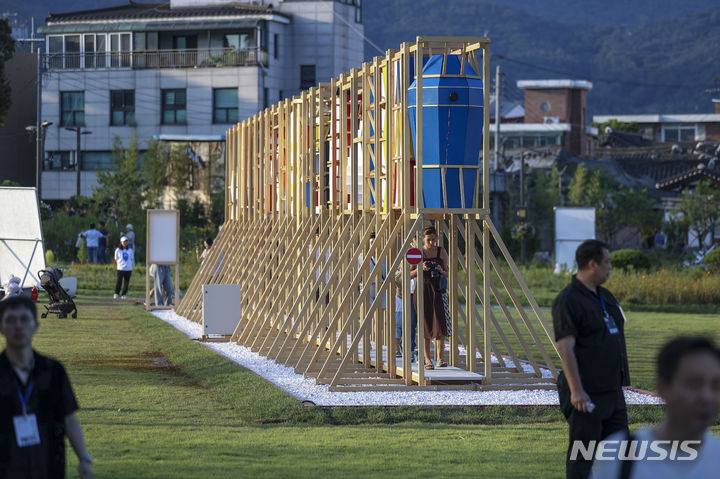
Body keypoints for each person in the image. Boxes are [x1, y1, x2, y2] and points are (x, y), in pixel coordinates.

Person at [553, 239, 630, 479]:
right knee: (582, 458)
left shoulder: (604, 295)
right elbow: (566, 347)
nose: (610, 268)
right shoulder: (568, 300)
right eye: (607, 263)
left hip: (612, 391)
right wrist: (576, 391)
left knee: (623, 457)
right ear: (592, 264)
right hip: (585, 393)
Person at [589, 337, 720, 479]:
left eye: (716, 386)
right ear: (662, 388)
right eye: (694, 384)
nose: (706, 397)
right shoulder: (621, 456)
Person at [0, 295, 94, 479]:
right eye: (11, 320)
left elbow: (69, 418)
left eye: (24, 319)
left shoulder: (53, 371)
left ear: (35, 325)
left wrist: (83, 458)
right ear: (1, 328)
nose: (18, 325)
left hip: (48, 465)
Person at [412, 226, 450, 370]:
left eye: (434, 240)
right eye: (429, 240)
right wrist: (420, 269)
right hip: (422, 291)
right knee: (425, 325)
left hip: (439, 291)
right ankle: (428, 360)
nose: (432, 243)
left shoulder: (441, 251)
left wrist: (441, 270)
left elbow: (447, 273)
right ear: (423, 239)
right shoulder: (418, 253)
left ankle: (440, 359)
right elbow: (408, 274)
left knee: (441, 325)